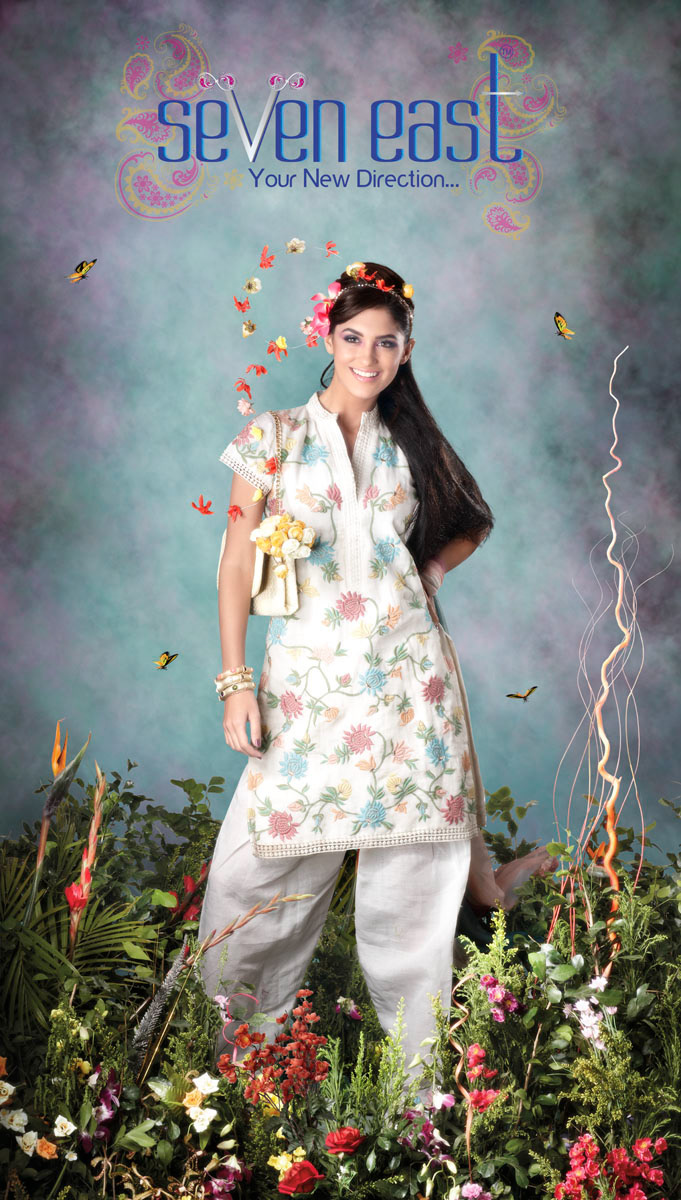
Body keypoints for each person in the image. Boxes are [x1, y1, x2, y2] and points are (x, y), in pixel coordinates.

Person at [197, 260, 513, 1096]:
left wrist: (428, 574)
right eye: (352, 338)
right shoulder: (271, 438)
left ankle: (418, 1099)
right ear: (326, 338)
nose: (367, 357)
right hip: (306, 685)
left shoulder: (413, 445)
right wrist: (235, 680)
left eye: (385, 343)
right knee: (253, 876)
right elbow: (235, 562)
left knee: (411, 888)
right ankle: (239, 1078)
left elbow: (473, 520)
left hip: (410, 683)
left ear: (406, 350)